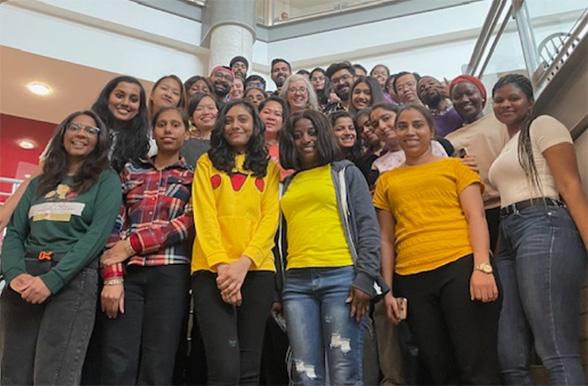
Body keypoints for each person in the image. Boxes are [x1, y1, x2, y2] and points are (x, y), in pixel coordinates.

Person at [374, 104, 502, 385]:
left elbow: (476, 216)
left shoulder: (456, 167)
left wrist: (483, 267)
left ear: (431, 130)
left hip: (460, 268)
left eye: (418, 125)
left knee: (476, 364)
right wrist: (388, 291)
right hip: (411, 278)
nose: (410, 132)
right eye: (403, 126)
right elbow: (385, 238)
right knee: (438, 367)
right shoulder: (386, 181)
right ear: (395, 133)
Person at [0, 110, 122, 385]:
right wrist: (14, 275)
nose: (81, 133)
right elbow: (16, 232)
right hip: (24, 277)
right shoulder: (40, 182)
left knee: (54, 374)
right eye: (74, 127)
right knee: (12, 372)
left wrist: (52, 281)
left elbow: (95, 238)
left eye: (91, 130)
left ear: (100, 140)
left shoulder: (107, 180)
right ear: (63, 134)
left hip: (72, 279)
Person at [488, 74, 588, 385]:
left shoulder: (543, 125)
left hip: (543, 224)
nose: (506, 104)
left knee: (555, 349)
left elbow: (570, 185)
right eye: (499, 100)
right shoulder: (508, 145)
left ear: (530, 102)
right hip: (508, 234)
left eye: (513, 98)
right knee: (510, 356)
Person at [278, 109, 385, 385]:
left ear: (324, 135)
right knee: (305, 373)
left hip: (342, 279)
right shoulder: (285, 184)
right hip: (296, 284)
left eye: (312, 133)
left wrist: (364, 278)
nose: (305, 140)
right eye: (297, 135)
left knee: (343, 372)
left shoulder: (345, 173)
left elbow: (368, 227)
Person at [98, 107, 194, 385]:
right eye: (161, 124)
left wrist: (133, 244)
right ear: (153, 131)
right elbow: (114, 224)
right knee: (117, 355)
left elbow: (187, 223)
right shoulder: (131, 170)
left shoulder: (193, 175)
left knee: (159, 359)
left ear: (186, 133)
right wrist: (113, 277)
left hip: (171, 273)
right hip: (128, 274)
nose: (167, 129)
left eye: (175, 125)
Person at [191, 99, 279, 384]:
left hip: (257, 270)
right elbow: (204, 216)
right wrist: (223, 267)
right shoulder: (207, 163)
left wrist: (243, 264)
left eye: (242, 119)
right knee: (224, 367)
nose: (234, 125)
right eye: (228, 120)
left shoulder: (269, 167)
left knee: (249, 366)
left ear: (255, 125)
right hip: (210, 271)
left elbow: (270, 220)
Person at [446, 75, 509, 251]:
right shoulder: (449, 140)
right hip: (478, 213)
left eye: (469, 93)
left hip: (509, 202)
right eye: (457, 97)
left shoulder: (501, 120)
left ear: (482, 96)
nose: (464, 99)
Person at [181, 92, 219, 169]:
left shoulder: (227, 141)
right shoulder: (184, 144)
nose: (206, 112)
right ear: (191, 119)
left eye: (211, 108)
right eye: (199, 109)